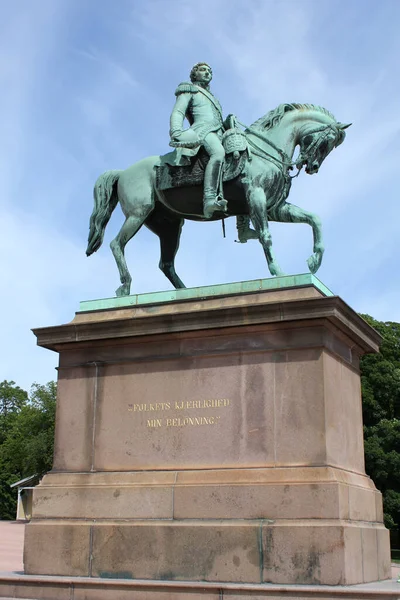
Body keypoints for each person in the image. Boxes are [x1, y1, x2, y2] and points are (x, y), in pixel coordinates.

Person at [169, 62, 229, 218]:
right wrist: (176, 130)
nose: (207, 73)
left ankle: (242, 226)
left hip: (218, 132)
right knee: (218, 153)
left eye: (210, 71)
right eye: (203, 70)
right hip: (202, 131)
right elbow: (178, 112)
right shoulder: (189, 89)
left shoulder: (214, 99)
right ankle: (209, 199)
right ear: (194, 74)